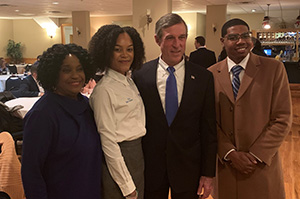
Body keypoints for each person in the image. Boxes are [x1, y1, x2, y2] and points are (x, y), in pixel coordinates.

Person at [133, 13, 217, 199]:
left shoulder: (203, 78)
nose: (177, 44)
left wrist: (208, 173)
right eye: (170, 38)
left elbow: (209, 128)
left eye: (182, 37)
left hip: (189, 168)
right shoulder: (140, 75)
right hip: (151, 168)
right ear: (157, 40)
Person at [208, 18, 292, 199]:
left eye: (245, 35)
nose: (241, 41)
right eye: (233, 37)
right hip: (226, 167)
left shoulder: (274, 69)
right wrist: (229, 152)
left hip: (261, 166)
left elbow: (282, 118)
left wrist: (255, 155)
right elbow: (208, 121)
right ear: (223, 41)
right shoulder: (210, 74)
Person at [21, 44, 102, 199]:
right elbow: (31, 172)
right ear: (53, 73)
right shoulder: (42, 114)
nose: (75, 75)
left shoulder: (86, 105)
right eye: (66, 70)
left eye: (79, 69)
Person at [89, 25, 146, 199]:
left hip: (137, 155)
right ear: (106, 52)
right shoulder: (104, 90)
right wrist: (126, 185)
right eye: (117, 50)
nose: (125, 55)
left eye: (129, 49)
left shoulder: (129, 81)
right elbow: (108, 141)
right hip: (120, 159)